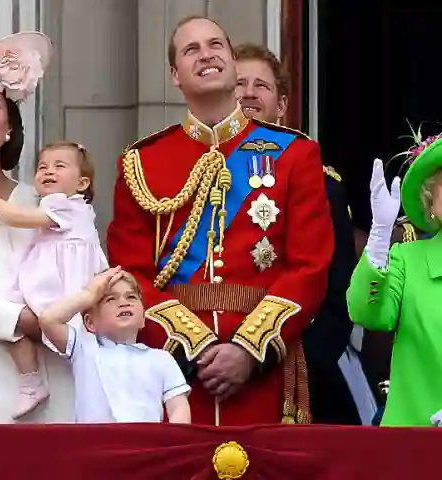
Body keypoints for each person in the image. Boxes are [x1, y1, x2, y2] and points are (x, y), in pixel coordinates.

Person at [107, 15, 334, 426]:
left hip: (264, 369)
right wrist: (192, 347)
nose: (206, 54)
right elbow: (131, 275)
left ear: (232, 61)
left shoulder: (295, 154)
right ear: (175, 74)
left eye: (215, 45)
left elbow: (310, 267)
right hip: (172, 373)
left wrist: (249, 349)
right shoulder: (141, 162)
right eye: (191, 49)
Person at [234, 42, 374, 425]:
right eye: (238, 83)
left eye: (260, 86)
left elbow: (337, 299)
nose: (247, 92)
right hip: (212, 370)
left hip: (295, 376)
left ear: (281, 105)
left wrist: (284, 365)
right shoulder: (197, 179)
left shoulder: (318, 181)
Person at [0, 31, 74, 423]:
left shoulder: (41, 203)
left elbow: (82, 266)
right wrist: (16, 319)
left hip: (53, 386)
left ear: (9, 125)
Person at [0, 140, 107, 419]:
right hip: (47, 280)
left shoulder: (67, 205)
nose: (48, 171)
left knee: (21, 323)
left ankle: (33, 381)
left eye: (59, 166)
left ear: (82, 183)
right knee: (12, 323)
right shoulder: (67, 208)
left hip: (60, 286)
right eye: (42, 167)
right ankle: (31, 381)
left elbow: (19, 217)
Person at [347, 133, 442, 426]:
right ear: (431, 201)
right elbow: (367, 313)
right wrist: (379, 239)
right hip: (412, 444)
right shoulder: (407, 260)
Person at [38, 266, 191, 423]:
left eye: (131, 297)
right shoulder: (84, 348)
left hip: (144, 445)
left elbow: (179, 408)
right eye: (111, 299)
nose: (124, 303)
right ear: (90, 323)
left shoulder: (161, 359)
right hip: (95, 445)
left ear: (143, 318)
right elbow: (48, 320)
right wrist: (88, 294)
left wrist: (171, 445)